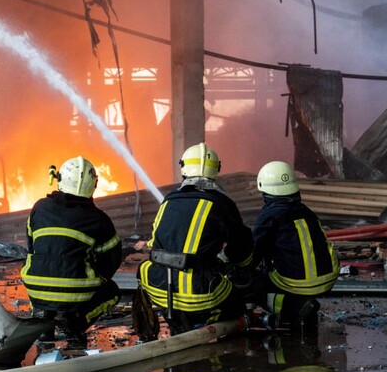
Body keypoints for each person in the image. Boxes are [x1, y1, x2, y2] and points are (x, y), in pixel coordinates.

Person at [137, 143, 253, 335]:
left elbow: (153, 243)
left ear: (183, 168)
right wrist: (234, 264)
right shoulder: (223, 204)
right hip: (200, 291)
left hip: (159, 288)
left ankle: (178, 320)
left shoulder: (168, 201)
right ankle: (209, 324)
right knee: (238, 297)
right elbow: (241, 250)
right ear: (216, 169)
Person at [20, 156, 122, 348]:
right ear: (93, 185)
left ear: (60, 180)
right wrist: (97, 277)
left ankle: (43, 324)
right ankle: (75, 323)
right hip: (76, 291)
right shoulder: (98, 219)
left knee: (41, 270)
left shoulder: (39, 208)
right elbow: (112, 259)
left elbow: (31, 246)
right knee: (112, 291)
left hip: (35, 286)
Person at [251, 161, 339, 333]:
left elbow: (251, 254)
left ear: (264, 189)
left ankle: (294, 308)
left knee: (250, 282)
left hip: (298, 283)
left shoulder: (269, 216)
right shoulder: (307, 212)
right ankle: (299, 304)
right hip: (328, 277)